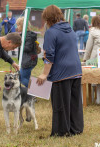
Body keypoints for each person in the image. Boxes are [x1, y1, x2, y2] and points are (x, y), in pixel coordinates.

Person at [37, 5, 83, 137]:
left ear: (48, 18)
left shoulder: (51, 32)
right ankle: (76, 129)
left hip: (61, 72)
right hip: (76, 70)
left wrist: (44, 74)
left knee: (61, 103)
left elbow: (49, 55)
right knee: (75, 103)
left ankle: (61, 132)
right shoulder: (70, 29)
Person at [16, 17, 38, 87]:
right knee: (26, 78)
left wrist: (19, 45)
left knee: (22, 78)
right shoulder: (23, 35)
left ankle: (34, 90)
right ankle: (30, 93)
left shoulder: (28, 36)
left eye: (18, 25)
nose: (17, 27)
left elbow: (28, 48)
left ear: (23, 25)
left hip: (28, 61)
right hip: (26, 60)